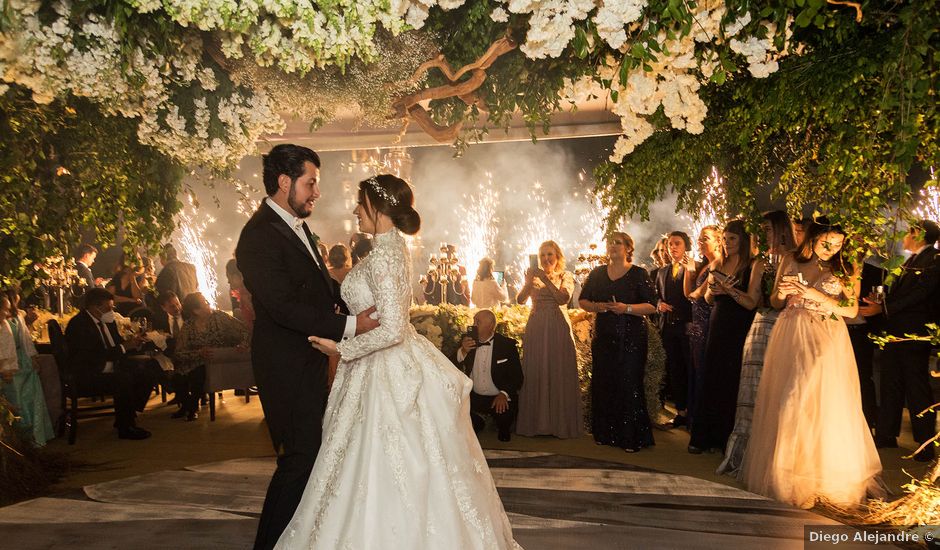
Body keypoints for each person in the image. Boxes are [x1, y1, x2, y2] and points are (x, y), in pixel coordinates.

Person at [291, 174, 520, 549]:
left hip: (383, 369)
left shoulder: (386, 255)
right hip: (376, 366)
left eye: (359, 203)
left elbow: (394, 330)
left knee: (387, 460)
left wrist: (341, 349)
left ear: (378, 208)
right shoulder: (386, 249)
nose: (354, 209)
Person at [235, 144, 380, 550]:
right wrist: (352, 325)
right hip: (285, 365)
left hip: (307, 359)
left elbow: (317, 286)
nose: (317, 191)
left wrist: (356, 301)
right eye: (310, 182)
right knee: (298, 460)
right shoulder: (259, 236)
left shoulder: (291, 225)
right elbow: (284, 306)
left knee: (309, 456)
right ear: (285, 182)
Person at [741, 220, 883, 508]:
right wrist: (782, 292)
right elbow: (775, 301)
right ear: (813, 239)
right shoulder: (792, 258)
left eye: (838, 244)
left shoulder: (846, 268)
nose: (832, 249)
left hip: (826, 335)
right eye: (826, 242)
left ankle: (823, 476)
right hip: (790, 332)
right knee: (789, 399)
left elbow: (851, 309)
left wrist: (813, 294)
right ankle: (789, 479)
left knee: (813, 399)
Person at [718, 211, 795, 475]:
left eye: (769, 230)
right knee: (752, 388)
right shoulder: (762, 261)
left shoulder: (796, 259)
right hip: (762, 321)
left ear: (782, 230)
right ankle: (746, 450)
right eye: (762, 231)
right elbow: (753, 300)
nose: (765, 235)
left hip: (789, 323)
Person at [867, 219, 940, 462]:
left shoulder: (934, 260)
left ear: (920, 234)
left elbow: (921, 294)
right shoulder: (908, 261)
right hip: (895, 330)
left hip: (915, 332)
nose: (904, 236)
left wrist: (885, 309)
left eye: (910, 232)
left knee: (916, 385)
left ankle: (925, 442)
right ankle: (887, 434)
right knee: (891, 381)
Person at [579, 232, 657, 452]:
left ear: (628, 248)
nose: (613, 246)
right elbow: (582, 300)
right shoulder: (597, 274)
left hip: (631, 337)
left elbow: (652, 306)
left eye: (618, 243)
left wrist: (627, 309)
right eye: (610, 243)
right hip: (604, 336)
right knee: (604, 382)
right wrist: (598, 307)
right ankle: (605, 433)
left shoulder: (639, 274)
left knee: (629, 383)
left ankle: (631, 438)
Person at [688, 220, 762, 454]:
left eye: (732, 239)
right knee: (711, 377)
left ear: (743, 240)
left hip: (740, 325)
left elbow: (751, 302)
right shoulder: (718, 263)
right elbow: (709, 300)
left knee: (733, 380)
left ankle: (727, 438)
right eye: (725, 239)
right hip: (717, 324)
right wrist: (713, 289)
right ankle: (704, 436)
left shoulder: (754, 265)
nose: (727, 243)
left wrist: (730, 290)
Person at [64, 288, 156, 440]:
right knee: (123, 379)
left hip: (110, 364)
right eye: (108, 308)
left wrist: (133, 344)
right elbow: (92, 356)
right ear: (95, 307)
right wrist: (124, 347)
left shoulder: (106, 321)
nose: (111, 311)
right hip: (89, 373)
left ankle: (128, 413)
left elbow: (117, 344)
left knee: (147, 372)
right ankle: (125, 427)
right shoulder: (80, 325)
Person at [515, 240, 582, 439]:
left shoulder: (566, 276)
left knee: (557, 369)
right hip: (536, 327)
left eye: (550, 254)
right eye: (543, 255)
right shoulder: (533, 278)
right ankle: (536, 423)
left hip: (557, 326)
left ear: (557, 257)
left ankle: (560, 424)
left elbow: (563, 299)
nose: (546, 258)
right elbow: (519, 300)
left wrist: (544, 278)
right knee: (536, 369)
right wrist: (528, 282)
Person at [173, 292, 249, 421]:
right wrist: (198, 353)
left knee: (198, 373)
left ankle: (191, 407)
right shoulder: (188, 326)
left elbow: (244, 330)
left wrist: (243, 344)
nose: (209, 305)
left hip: (216, 361)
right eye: (205, 303)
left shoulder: (220, 317)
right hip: (195, 359)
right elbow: (179, 352)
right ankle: (187, 406)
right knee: (177, 376)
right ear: (196, 310)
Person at [452, 309, 524, 442]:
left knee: (504, 425)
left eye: (477, 322)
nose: (473, 325)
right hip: (474, 395)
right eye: (474, 321)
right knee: (455, 409)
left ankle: (502, 426)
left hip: (497, 396)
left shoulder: (506, 345)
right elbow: (450, 363)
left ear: (490, 325)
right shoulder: (467, 341)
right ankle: (478, 421)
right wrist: (463, 351)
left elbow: (517, 376)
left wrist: (504, 393)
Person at [0, 293, 55, 446]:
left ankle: (35, 437)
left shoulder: (17, 317)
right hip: (8, 365)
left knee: (31, 398)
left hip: (22, 361)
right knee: (15, 400)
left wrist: (32, 358)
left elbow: (25, 338)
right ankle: (20, 440)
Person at [655, 231, 695, 429]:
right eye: (670, 244)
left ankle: (694, 413)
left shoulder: (694, 266)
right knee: (675, 370)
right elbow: (656, 296)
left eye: (677, 243)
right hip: (668, 328)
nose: (673, 247)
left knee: (691, 369)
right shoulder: (662, 272)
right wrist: (659, 304)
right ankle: (681, 412)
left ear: (686, 246)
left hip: (688, 326)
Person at [106, 252, 145, 316]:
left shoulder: (140, 276)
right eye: (130, 258)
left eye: (135, 259)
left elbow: (137, 296)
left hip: (135, 313)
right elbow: (110, 296)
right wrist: (131, 300)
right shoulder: (118, 276)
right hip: (120, 312)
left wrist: (133, 277)